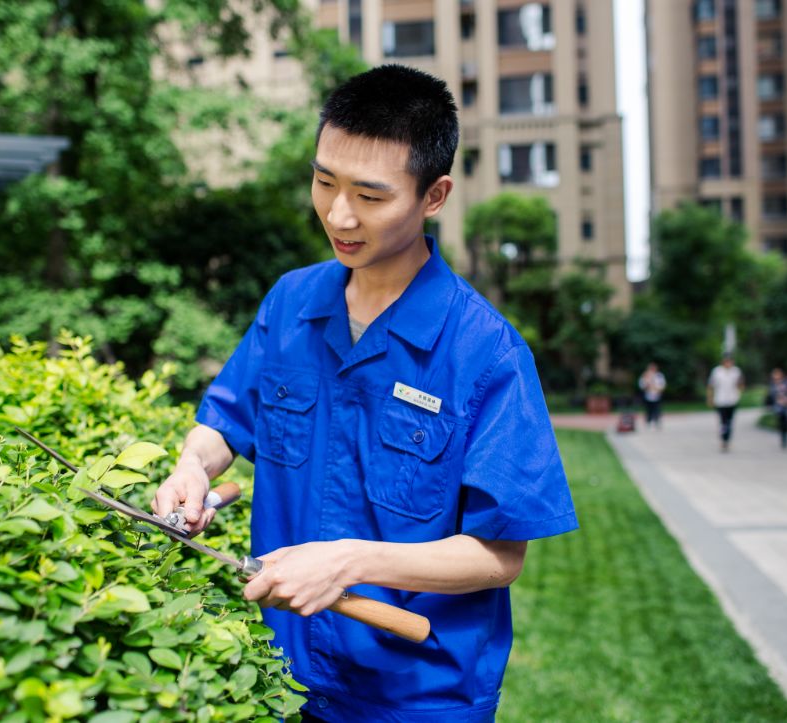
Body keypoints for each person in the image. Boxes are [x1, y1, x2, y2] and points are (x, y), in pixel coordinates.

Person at [151, 65, 577, 722]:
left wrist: (349, 561)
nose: (338, 214)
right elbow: (226, 421)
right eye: (324, 181)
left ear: (433, 195)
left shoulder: (484, 351)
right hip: (274, 675)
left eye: (370, 196)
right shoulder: (290, 302)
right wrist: (191, 465)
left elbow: (499, 554)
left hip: (415, 695)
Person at [707, 353, 745, 452]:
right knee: (723, 421)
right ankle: (724, 439)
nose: (728, 363)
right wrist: (710, 398)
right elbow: (711, 385)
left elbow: (740, 385)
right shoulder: (717, 371)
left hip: (732, 399)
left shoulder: (736, 371)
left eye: (730, 361)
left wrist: (740, 386)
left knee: (730, 421)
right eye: (726, 361)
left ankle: (727, 439)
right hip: (720, 400)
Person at [768, 367, 787, 449]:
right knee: (781, 423)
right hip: (778, 407)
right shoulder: (772, 384)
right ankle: (783, 439)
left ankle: (785, 437)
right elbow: (771, 396)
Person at [637, 361, 667, 428]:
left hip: (657, 395)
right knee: (648, 409)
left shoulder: (659, 376)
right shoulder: (645, 375)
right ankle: (648, 422)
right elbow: (642, 386)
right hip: (648, 396)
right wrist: (648, 382)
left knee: (657, 409)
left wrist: (656, 388)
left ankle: (657, 421)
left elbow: (662, 386)